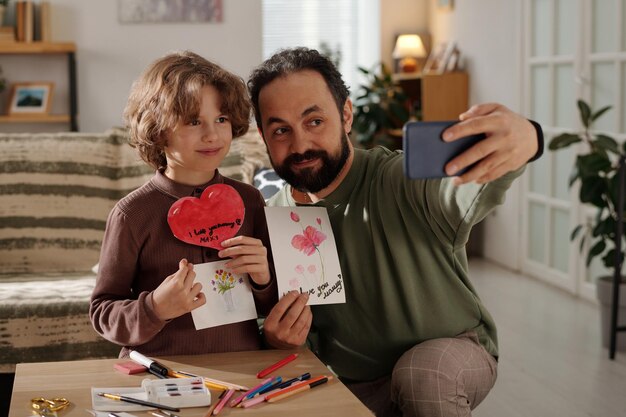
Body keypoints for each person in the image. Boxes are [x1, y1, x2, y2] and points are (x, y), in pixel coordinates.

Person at [247, 47, 543, 417]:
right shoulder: (268, 216)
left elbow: (465, 188)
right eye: (281, 130)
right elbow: (261, 321)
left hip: (448, 354)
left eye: (314, 122)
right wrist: (275, 337)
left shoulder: (401, 179)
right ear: (263, 135)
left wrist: (527, 138)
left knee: (421, 373)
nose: (301, 145)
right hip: (346, 383)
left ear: (346, 114)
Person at [90, 51, 277, 359]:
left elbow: (270, 304)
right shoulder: (131, 214)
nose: (212, 134)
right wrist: (155, 308)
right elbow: (102, 311)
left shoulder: (250, 200)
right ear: (158, 128)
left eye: (221, 119)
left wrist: (263, 279)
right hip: (158, 372)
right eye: (193, 121)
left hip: (242, 369)